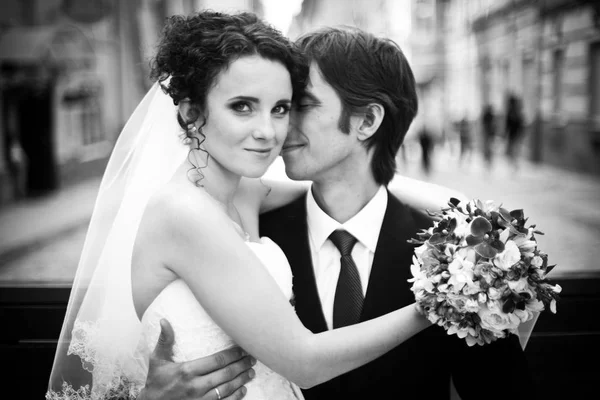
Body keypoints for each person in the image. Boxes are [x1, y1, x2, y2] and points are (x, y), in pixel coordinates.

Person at [47, 12, 433, 400]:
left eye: (281, 108)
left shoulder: (243, 193)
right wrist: (438, 303)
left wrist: (463, 212)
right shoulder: (184, 213)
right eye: (242, 107)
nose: (269, 131)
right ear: (191, 112)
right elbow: (304, 361)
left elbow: (339, 184)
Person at [140, 27, 535, 400]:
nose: (276, 126)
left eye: (297, 105)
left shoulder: (465, 263)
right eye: (279, 106)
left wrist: (474, 226)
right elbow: (301, 360)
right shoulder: (247, 231)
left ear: (367, 121)